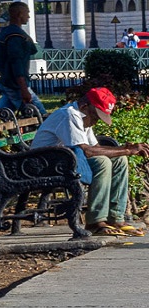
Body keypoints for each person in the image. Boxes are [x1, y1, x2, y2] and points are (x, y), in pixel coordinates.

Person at [30, 87, 149, 236]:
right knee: (102, 163)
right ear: (85, 106)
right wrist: (126, 150)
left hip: (65, 162)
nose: (96, 121)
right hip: (45, 165)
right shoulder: (70, 115)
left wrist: (124, 150)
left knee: (120, 160)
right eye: (95, 116)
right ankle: (95, 222)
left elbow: (95, 147)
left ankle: (115, 218)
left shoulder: (84, 117)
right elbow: (88, 151)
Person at [0, 2, 46, 115]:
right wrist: (24, 88)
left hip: (9, 82)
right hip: (15, 85)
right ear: (19, 15)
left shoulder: (9, 33)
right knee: (39, 114)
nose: (28, 16)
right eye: (26, 13)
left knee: (2, 112)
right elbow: (16, 62)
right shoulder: (15, 36)